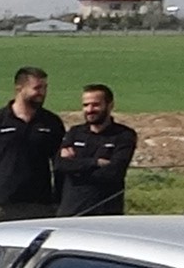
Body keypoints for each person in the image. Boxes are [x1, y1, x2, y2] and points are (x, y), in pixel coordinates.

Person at [0, 66, 65, 222]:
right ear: (19, 88)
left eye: (45, 88)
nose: (42, 93)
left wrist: (59, 201)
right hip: (1, 206)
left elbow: (60, 165)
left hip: (39, 206)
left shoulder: (51, 123)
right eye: (37, 88)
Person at [56, 83, 139, 217]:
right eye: (85, 105)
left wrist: (75, 166)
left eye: (95, 105)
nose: (89, 109)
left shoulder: (124, 135)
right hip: (71, 213)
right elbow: (60, 165)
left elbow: (113, 173)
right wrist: (95, 163)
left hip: (105, 214)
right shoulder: (75, 133)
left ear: (110, 105)